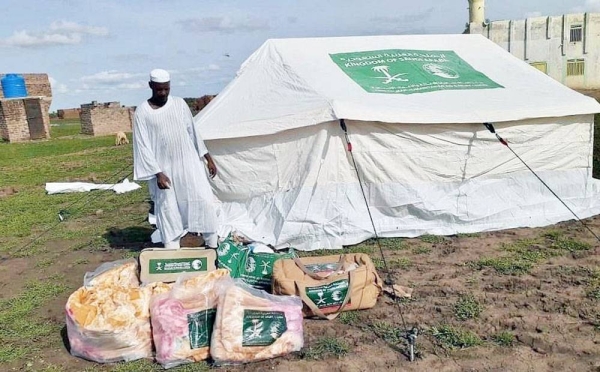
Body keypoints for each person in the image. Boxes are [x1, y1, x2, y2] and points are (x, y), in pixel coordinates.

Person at [133, 68, 218, 248]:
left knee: (203, 201)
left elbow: (193, 132)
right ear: (150, 86)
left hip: (189, 165)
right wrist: (157, 174)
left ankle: (213, 246)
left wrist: (207, 157)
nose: (163, 93)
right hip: (163, 170)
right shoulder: (142, 112)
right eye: (159, 89)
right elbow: (142, 146)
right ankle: (172, 249)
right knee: (168, 209)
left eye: (166, 89)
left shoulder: (179, 104)